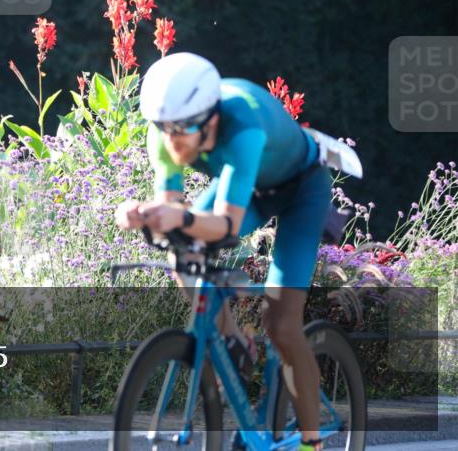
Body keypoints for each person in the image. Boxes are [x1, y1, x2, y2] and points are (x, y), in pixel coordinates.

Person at [114, 52, 332, 451]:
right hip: (249, 187)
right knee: (181, 252)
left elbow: (227, 226)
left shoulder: (241, 127)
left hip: (302, 189)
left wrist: (175, 218)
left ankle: (311, 444)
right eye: (163, 128)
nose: (170, 139)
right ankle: (233, 342)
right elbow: (175, 213)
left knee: (281, 323)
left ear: (209, 119)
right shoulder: (165, 133)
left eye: (180, 129)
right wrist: (146, 214)